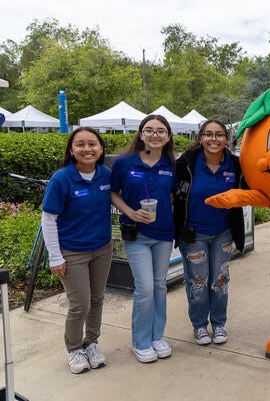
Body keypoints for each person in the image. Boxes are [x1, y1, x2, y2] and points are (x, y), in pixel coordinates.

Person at [41, 127, 112, 374]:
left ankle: (92, 343)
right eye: (80, 144)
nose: (87, 149)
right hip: (72, 252)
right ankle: (74, 349)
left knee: (96, 299)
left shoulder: (105, 175)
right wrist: (55, 256)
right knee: (79, 304)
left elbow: (121, 198)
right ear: (71, 150)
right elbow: (48, 220)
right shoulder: (62, 179)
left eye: (92, 144)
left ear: (101, 149)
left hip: (102, 248)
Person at [110, 114, 176, 363]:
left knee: (159, 285)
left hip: (163, 233)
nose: (155, 134)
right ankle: (140, 341)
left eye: (160, 131)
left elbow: (172, 194)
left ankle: (157, 336)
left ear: (168, 136)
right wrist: (130, 212)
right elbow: (113, 193)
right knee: (145, 288)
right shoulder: (124, 163)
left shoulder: (171, 164)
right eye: (149, 130)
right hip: (136, 234)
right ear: (140, 133)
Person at [174, 119, 245, 346]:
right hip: (194, 235)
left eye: (218, 135)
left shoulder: (235, 164)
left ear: (226, 139)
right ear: (200, 138)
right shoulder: (187, 162)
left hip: (223, 233)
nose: (213, 139)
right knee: (198, 282)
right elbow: (173, 194)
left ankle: (219, 323)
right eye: (208, 134)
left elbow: (251, 188)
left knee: (220, 281)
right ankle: (200, 326)